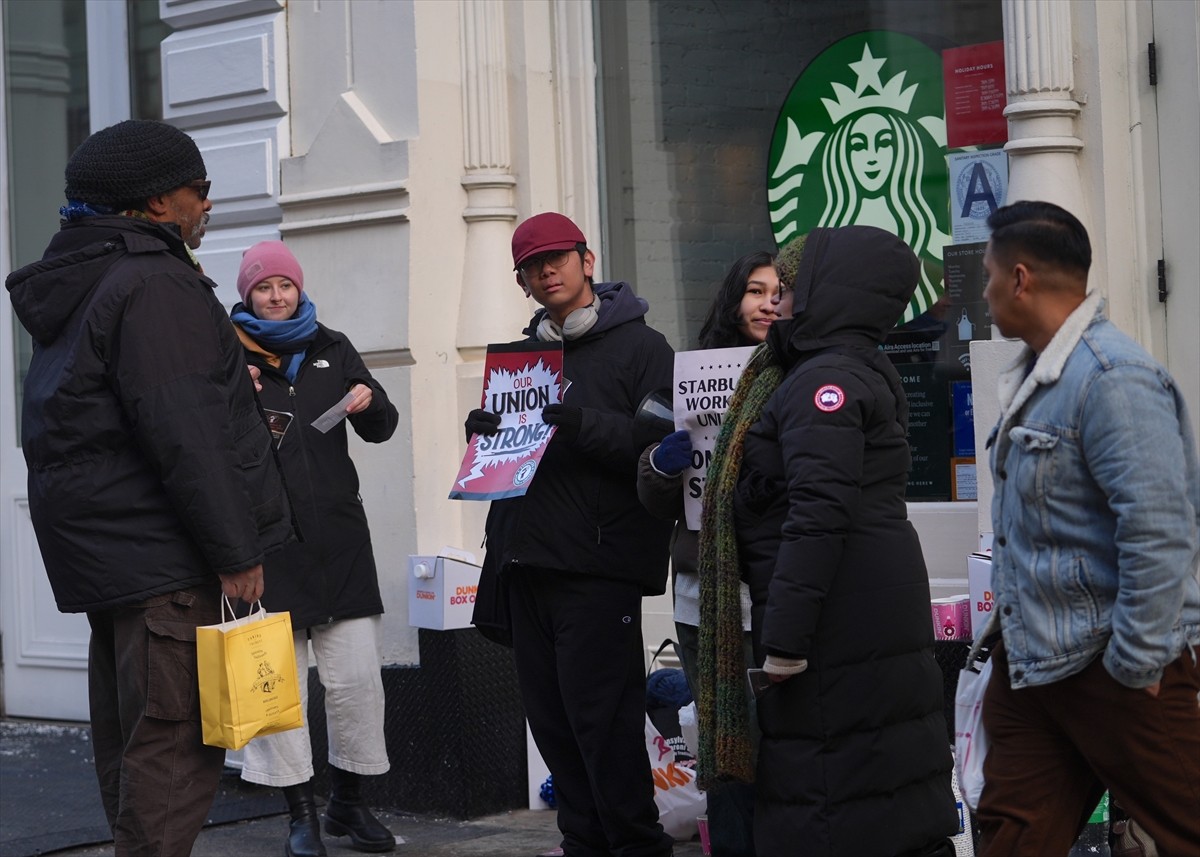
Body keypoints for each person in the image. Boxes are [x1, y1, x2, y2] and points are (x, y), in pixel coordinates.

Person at [5, 119, 293, 856]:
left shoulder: (88, 278)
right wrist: (237, 549)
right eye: (200, 190)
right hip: (170, 569)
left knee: (136, 754)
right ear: (159, 201)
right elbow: (186, 432)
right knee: (170, 759)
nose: (207, 206)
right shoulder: (154, 282)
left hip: (119, 568)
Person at [698, 226, 958, 856]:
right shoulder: (847, 366)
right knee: (876, 792)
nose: (778, 302)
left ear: (828, 293)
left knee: (830, 796)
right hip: (857, 616)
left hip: (833, 627)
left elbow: (819, 512)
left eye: (791, 288)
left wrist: (783, 643)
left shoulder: (823, 384)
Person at [976, 200, 1200, 856]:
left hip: (1117, 666)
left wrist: (1136, 660)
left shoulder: (1112, 378)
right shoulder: (1037, 375)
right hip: (1032, 663)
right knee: (1014, 834)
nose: (983, 289)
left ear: (1021, 278)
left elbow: (1159, 529)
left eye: (988, 273)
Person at [464, 212, 676, 857]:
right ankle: (582, 843)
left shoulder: (645, 348)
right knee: (552, 724)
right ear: (524, 283)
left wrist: (579, 423)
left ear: (587, 260)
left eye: (557, 257)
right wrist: (485, 440)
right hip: (527, 561)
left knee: (604, 723)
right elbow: (514, 466)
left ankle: (637, 845)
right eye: (532, 265)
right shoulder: (523, 357)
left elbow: (662, 444)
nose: (546, 271)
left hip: (597, 564)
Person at [231, 241, 400, 857]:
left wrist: (372, 401)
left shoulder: (332, 346)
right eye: (263, 288)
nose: (276, 297)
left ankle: (349, 806)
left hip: (340, 543)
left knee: (357, 683)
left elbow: (382, 427)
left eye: (285, 286)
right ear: (247, 295)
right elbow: (204, 441)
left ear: (299, 290)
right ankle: (300, 814)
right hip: (267, 550)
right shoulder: (227, 352)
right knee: (279, 693)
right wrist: (234, 394)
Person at [636, 246, 799, 857]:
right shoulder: (691, 374)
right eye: (755, 290)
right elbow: (653, 493)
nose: (766, 302)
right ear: (734, 300)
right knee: (726, 747)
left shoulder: (804, 374)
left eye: (777, 291)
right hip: (706, 598)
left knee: (785, 744)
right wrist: (659, 464)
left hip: (781, 589)